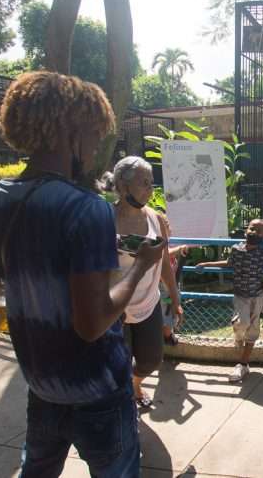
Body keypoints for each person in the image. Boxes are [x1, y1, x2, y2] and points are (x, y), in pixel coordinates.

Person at [0, 71, 165, 477]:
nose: (94, 149)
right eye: (93, 136)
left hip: (41, 383)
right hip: (99, 390)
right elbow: (92, 324)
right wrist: (142, 264)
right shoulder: (84, 207)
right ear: (70, 132)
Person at [102, 156, 182, 408]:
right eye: (143, 182)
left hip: (149, 302)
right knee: (120, 363)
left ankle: (136, 383)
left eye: (151, 182)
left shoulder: (156, 219)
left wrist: (175, 296)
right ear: (123, 186)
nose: (150, 188)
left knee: (151, 360)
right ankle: (127, 402)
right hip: (116, 307)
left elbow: (163, 263)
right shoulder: (105, 219)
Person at [195, 219, 263, 382]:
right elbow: (228, 263)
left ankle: (243, 364)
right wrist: (207, 263)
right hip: (240, 295)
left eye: (259, 231)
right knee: (242, 323)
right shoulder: (236, 249)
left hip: (258, 295)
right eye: (251, 228)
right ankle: (238, 335)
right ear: (245, 230)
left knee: (253, 329)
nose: (254, 232)